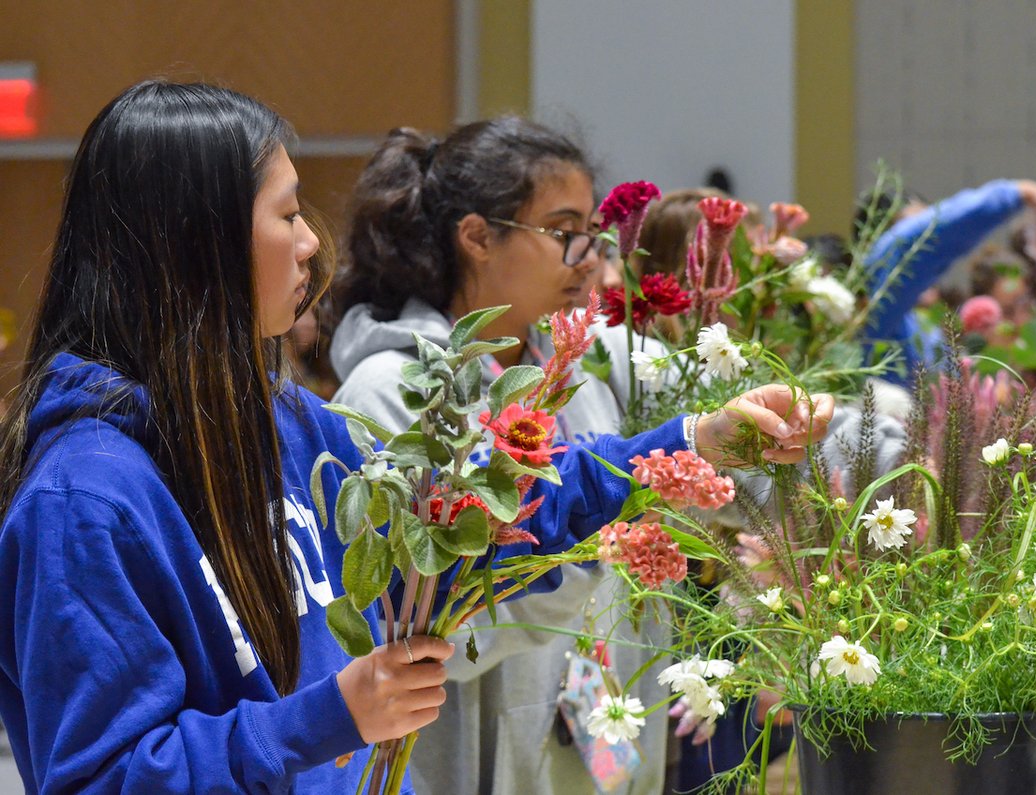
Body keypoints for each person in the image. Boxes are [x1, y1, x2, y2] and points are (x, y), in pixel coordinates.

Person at [0, 84, 827, 794]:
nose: (310, 240)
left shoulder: (286, 422)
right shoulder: (85, 499)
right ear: (196, 241)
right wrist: (327, 717)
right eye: (286, 214)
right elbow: (101, 776)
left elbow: (475, 514)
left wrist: (691, 442)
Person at [330, 119, 692, 794]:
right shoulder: (394, 391)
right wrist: (590, 549)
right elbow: (428, 627)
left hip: (592, 741)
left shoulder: (578, 369)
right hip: (468, 751)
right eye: (563, 230)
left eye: (593, 234)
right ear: (476, 237)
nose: (587, 258)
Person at [857, 180, 1036, 384]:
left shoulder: (930, 333)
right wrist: (1019, 193)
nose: (928, 258)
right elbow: (906, 248)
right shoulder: (872, 314)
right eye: (922, 236)